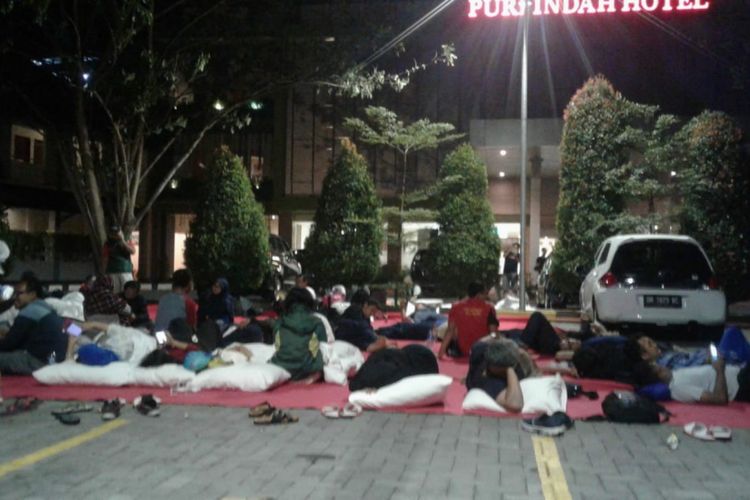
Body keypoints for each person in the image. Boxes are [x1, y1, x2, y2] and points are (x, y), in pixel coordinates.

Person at [0, 273, 66, 374]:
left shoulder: (30, 311)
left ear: (32, 294)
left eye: (19, 293)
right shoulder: (48, 308)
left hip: (40, 363)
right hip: (55, 360)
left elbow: (9, 344)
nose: (15, 297)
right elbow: (71, 329)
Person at [269, 288, 327, 383]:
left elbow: (277, 345)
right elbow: (324, 347)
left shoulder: (280, 322)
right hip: (307, 370)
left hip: (281, 367)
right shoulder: (317, 322)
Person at [438, 282, 497, 359]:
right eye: (485, 294)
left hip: (462, 349)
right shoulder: (489, 308)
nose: (486, 296)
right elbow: (493, 333)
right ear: (478, 295)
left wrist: (440, 354)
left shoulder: (456, 307)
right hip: (482, 350)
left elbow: (450, 331)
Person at [466, 340, 525, 412]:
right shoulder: (491, 382)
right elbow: (515, 405)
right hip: (479, 376)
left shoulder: (484, 350)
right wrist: (510, 370)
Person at [349, 344, 439, 391]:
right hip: (415, 353)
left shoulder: (382, 371)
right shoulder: (372, 367)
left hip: (420, 359)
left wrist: (378, 388)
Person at [101, 225, 136, 293]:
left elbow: (132, 251)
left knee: (127, 290)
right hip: (112, 271)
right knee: (115, 291)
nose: (115, 235)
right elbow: (105, 258)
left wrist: (122, 240)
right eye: (113, 233)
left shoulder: (127, 241)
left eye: (117, 233)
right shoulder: (107, 244)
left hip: (125, 270)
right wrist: (104, 272)